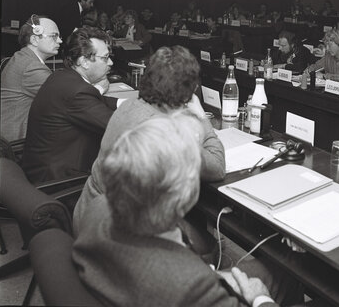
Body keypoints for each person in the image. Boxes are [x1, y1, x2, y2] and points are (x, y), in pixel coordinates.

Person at [73, 115, 302, 307]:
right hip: (171, 285)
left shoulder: (97, 208)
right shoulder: (192, 286)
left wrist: (212, 273)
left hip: (133, 283)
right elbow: (182, 280)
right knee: (288, 273)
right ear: (182, 196)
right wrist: (260, 298)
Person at [73, 45, 226, 232]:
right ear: (187, 93)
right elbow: (218, 168)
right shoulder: (163, 132)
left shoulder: (129, 105)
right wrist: (201, 117)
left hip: (89, 212)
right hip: (114, 232)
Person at [22, 27, 119, 183]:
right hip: (61, 180)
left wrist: (126, 103)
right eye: (105, 57)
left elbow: (95, 101)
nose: (111, 62)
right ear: (84, 62)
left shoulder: (62, 76)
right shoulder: (77, 91)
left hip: (40, 168)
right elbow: (118, 126)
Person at [1, 15, 62, 141]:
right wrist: (99, 87)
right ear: (34, 40)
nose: (60, 41)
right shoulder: (31, 66)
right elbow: (66, 100)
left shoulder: (22, 57)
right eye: (54, 36)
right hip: (16, 143)